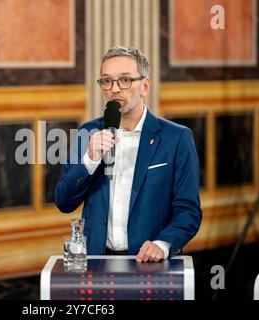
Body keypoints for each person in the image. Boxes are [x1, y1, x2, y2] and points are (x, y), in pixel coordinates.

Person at [54, 46, 202, 262]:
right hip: (97, 262)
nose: (114, 89)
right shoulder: (88, 133)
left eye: (124, 80)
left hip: (150, 264)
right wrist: (89, 160)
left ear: (145, 85)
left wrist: (163, 244)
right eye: (106, 81)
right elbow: (63, 202)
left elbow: (189, 211)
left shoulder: (177, 138)